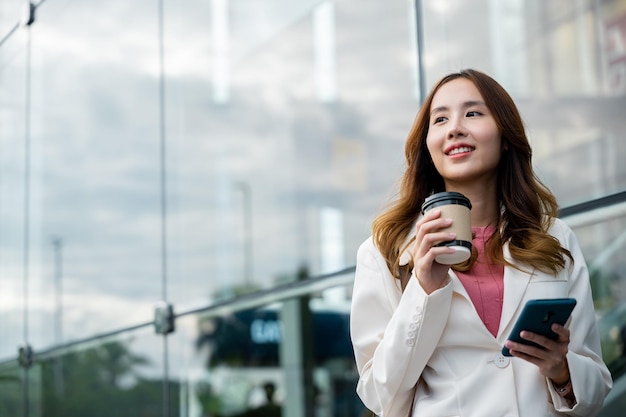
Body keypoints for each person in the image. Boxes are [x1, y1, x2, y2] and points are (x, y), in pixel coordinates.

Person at [350, 69, 612, 416]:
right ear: (428, 146)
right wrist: (423, 290)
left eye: (473, 113)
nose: (455, 128)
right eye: (440, 119)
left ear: (505, 136)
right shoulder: (385, 250)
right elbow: (380, 396)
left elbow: (595, 388)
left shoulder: (554, 239)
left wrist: (562, 371)